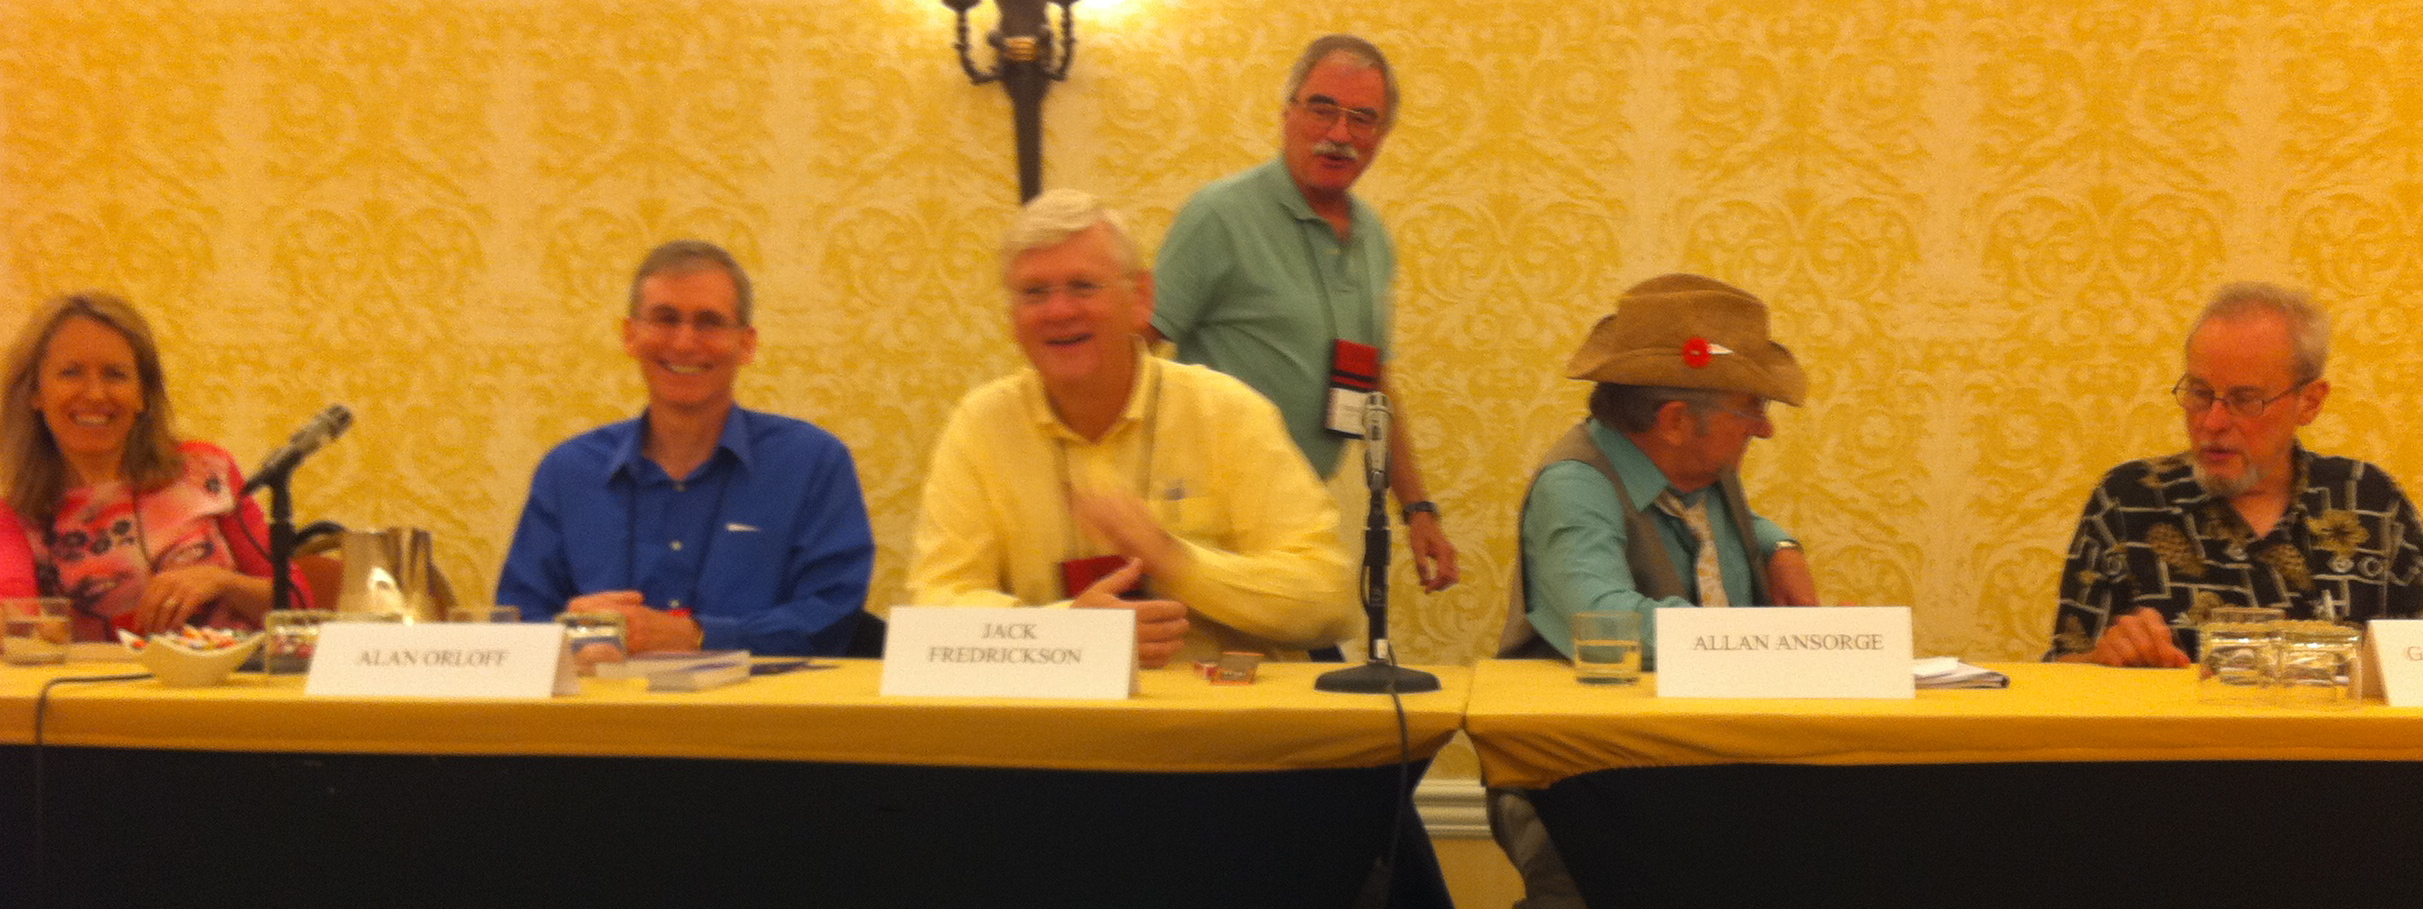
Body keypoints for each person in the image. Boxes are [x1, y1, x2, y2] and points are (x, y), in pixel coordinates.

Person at [909, 188, 1355, 668]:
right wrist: (1066, 633)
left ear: (1141, 298)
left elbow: (1329, 600)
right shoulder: (981, 425)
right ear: (1013, 317)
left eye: (1083, 286)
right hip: (1057, 712)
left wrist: (1176, 562)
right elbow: (935, 605)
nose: (1059, 311)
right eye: (1034, 293)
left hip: (1220, 708)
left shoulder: (1226, 413)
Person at [1491, 274, 1817, 909]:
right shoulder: (1574, 486)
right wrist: (1772, 640)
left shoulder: (1699, 470)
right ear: (1675, 421)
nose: (1765, 429)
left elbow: (1717, 524)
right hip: (1588, 787)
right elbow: (1603, 621)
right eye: (1752, 408)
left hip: (1690, 775)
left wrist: (1780, 546)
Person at [1152, 33, 1460, 596]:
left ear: (1381, 137)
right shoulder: (1219, 215)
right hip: (1208, 522)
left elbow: (1372, 383)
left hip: (1299, 513)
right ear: (1287, 114)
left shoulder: (1372, 238)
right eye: (1322, 109)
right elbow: (1132, 350)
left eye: (1362, 119)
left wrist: (1418, 509)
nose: (1339, 133)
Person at [497, 240, 875, 657]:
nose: (683, 342)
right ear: (630, 336)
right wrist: (573, 634)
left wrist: (694, 637)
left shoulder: (812, 463)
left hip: (763, 700)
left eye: (709, 322)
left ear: (747, 344)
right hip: (602, 699)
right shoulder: (568, 472)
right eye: (665, 319)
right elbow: (516, 627)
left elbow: (832, 617)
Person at [2050, 282, 2423, 666]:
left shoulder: (2371, 503)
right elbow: (2058, 675)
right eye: (2199, 393)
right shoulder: (2128, 500)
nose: (2212, 422)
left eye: (2245, 400)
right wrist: (2101, 658)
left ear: (2310, 402)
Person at [0, 292, 312, 641]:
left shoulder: (205, 470)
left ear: (143, 394)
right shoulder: (17, 513)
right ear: (35, 393)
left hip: (236, 673)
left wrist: (222, 582)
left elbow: (299, 605)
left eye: (116, 375)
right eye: (70, 373)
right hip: (104, 678)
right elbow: (14, 614)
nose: (96, 394)